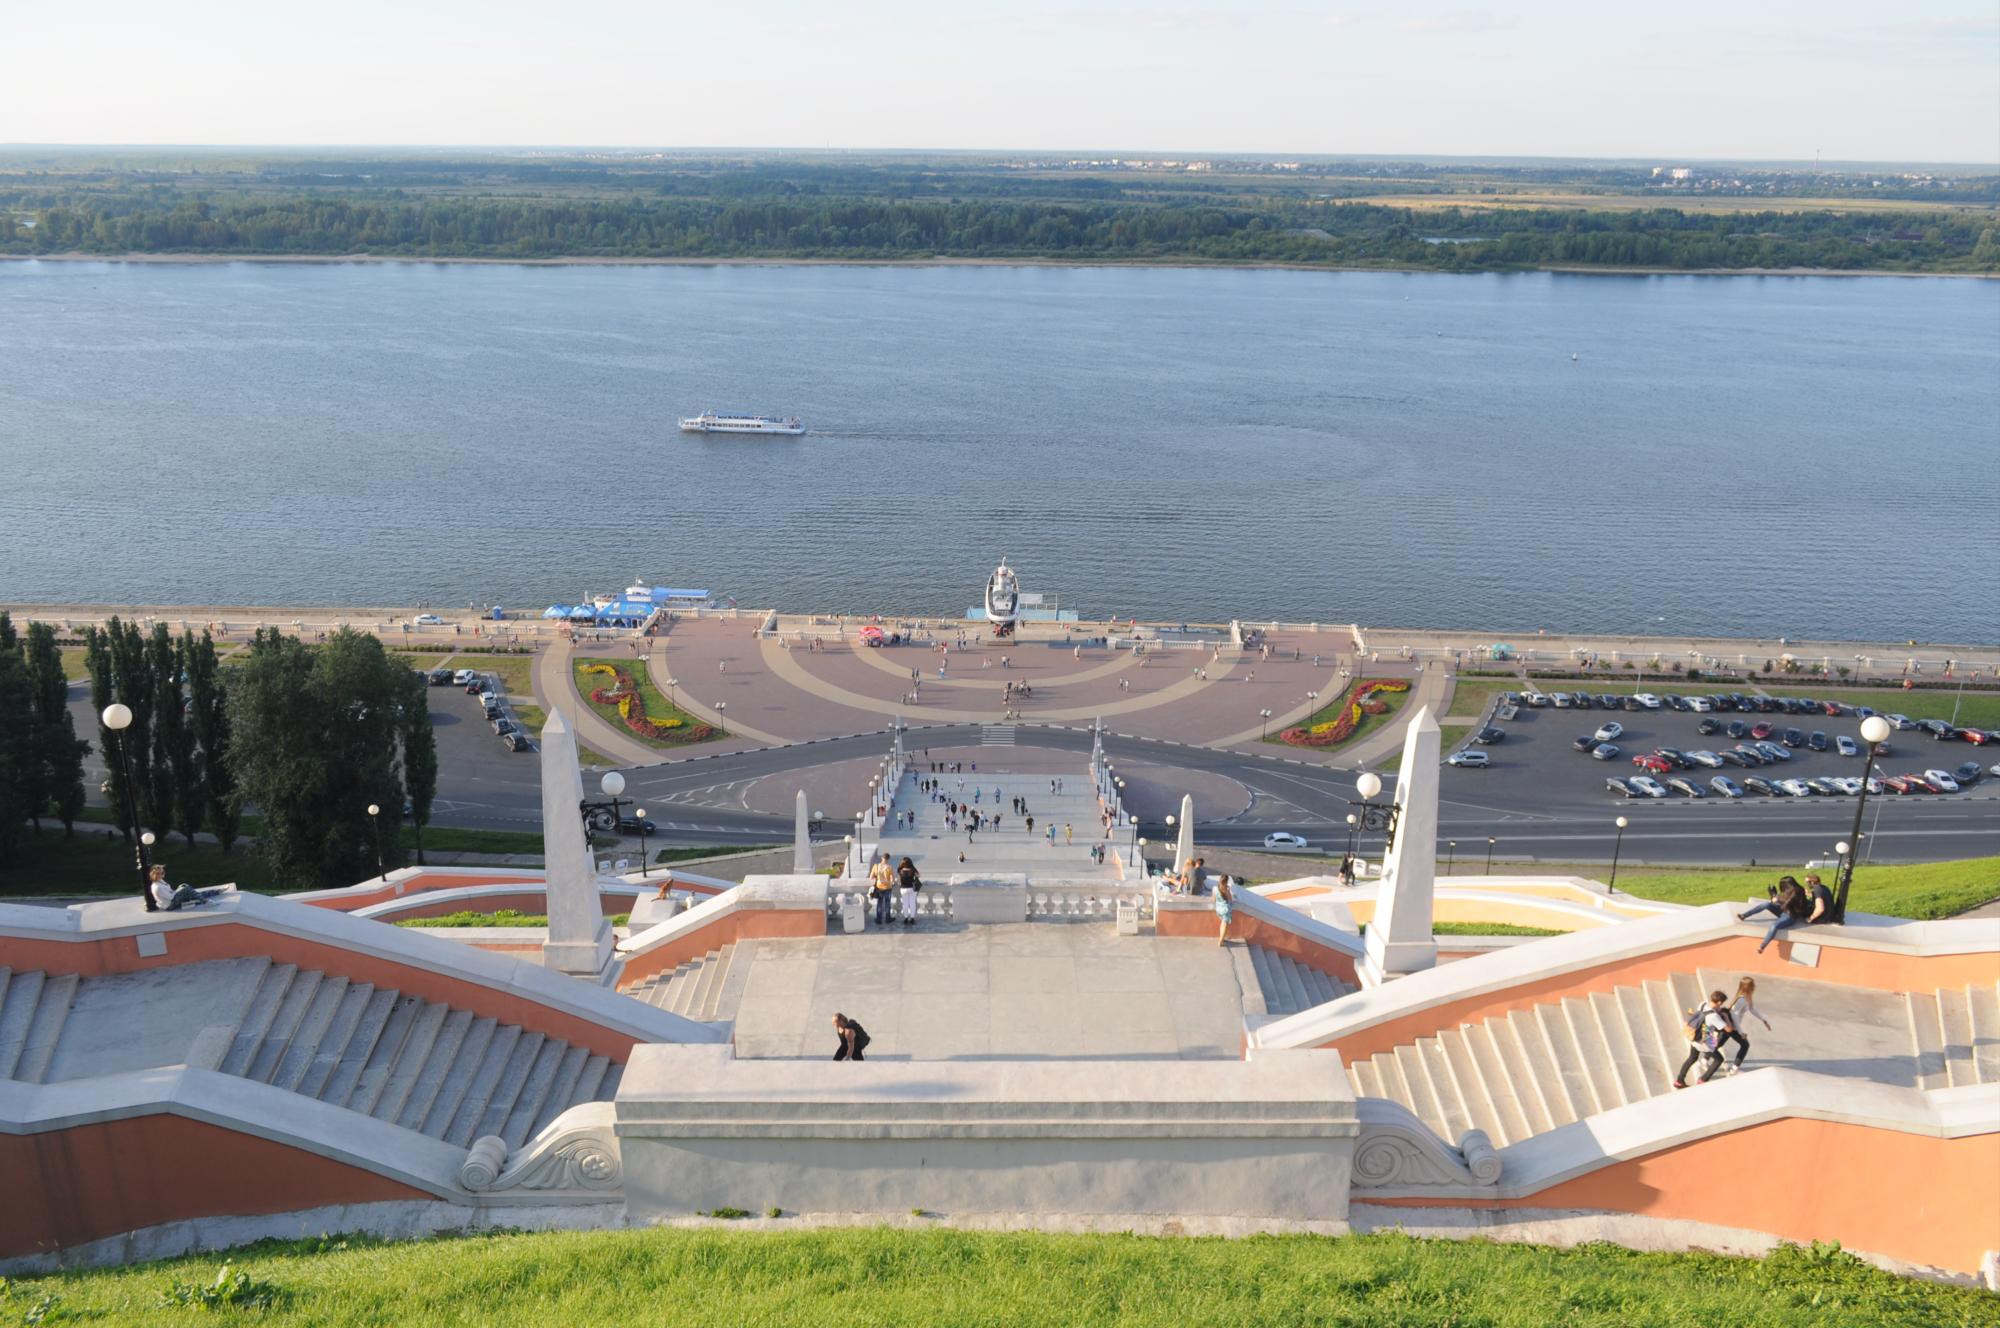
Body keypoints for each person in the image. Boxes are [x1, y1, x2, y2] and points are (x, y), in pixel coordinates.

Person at [1674, 990, 1735, 1088]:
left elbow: (1703, 1017)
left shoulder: (1703, 1004)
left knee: (1692, 1058)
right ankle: (1702, 1080)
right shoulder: (1714, 1016)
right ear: (1719, 1002)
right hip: (1705, 1041)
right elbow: (1729, 1029)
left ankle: (1679, 1081)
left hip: (1694, 1036)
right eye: (1721, 1003)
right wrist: (1726, 1016)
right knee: (1719, 1059)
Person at [1737, 876, 1810, 953]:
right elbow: (1781, 902)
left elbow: (1787, 902)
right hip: (1783, 910)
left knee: (1774, 925)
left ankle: (1762, 947)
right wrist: (1774, 895)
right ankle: (1744, 915)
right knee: (1766, 904)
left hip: (1790, 916)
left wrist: (1777, 899)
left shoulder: (1797, 891)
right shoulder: (1790, 890)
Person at [1720, 976, 1770, 1075]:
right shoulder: (1741, 1000)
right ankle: (1734, 1069)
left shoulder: (1747, 997)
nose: (1755, 986)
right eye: (1753, 985)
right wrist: (1741, 1032)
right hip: (1732, 1026)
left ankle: (1705, 1059)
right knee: (1745, 1045)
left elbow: (1751, 1009)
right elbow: (1734, 1016)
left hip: (1732, 1026)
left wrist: (1764, 1020)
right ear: (1749, 987)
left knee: (1718, 1043)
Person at [868, 854, 896, 926]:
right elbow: (893, 880)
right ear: (888, 859)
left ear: (881, 858)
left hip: (879, 887)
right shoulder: (889, 867)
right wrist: (892, 882)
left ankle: (879, 919)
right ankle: (887, 918)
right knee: (887, 903)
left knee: (879, 903)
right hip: (888, 887)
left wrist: (878, 877)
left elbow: (871, 877)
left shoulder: (876, 866)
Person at [896, 856, 922, 927]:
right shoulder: (912, 870)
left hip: (903, 889)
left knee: (905, 904)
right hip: (912, 889)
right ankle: (912, 918)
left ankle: (906, 918)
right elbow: (919, 875)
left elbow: (898, 880)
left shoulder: (900, 870)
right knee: (912, 903)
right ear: (910, 863)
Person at [1213, 876, 1235, 947]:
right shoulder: (1226, 890)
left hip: (1218, 909)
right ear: (1226, 881)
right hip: (1225, 909)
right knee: (1224, 925)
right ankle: (1220, 941)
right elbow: (1230, 900)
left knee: (1222, 924)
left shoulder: (1215, 888)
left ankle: (1221, 938)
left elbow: (1214, 900)